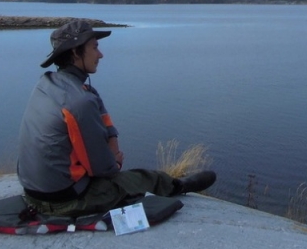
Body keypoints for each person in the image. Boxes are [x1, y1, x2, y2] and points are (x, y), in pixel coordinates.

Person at [17, 18, 215, 217]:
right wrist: (116, 163)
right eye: (95, 47)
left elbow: (95, 108)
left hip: (33, 192)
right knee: (139, 179)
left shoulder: (48, 84)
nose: (100, 54)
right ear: (76, 52)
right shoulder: (79, 102)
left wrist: (111, 137)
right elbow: (104, 170)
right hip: (64, 200)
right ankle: (178, 186)